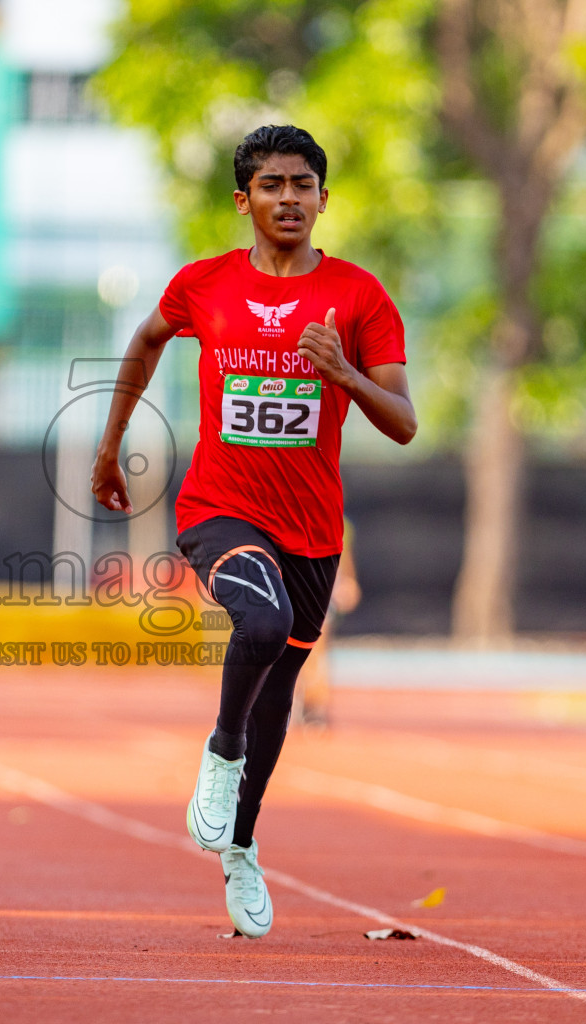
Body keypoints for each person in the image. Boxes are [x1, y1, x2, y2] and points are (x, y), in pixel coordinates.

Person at [91, 125, 416, 937]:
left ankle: (241, 847)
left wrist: (341, 373)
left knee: (280, 698)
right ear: (244, 201)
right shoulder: (204, 285)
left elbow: (405, 422)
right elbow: (147, 341)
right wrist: (110, 442)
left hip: (312, 530)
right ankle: (220, 748)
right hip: (218, 511)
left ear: (324, 198)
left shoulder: (360, 297)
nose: (289, 199)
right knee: (260, 623)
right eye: (271, 186)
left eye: (303, 185)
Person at [293, 517, 360, 729]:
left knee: (315, 650)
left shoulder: (340, 523)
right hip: (294, 589)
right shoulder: (292, 515)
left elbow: (344, 559)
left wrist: (349, 582)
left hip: (320, 593)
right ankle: (301, 703)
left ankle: (314, 708)